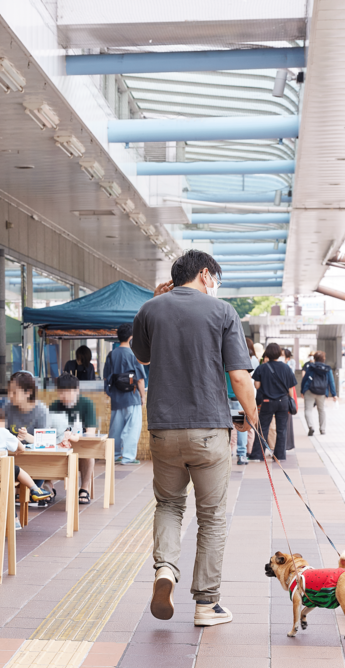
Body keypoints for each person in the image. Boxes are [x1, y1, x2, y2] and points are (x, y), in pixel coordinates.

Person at [132, 249, 255, 629]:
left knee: (169, 505)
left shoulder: (150, 309)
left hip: (164, 430)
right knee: (212, 516)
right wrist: (253, 417)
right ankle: (206, 604)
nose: (215, 286)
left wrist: (155, 302)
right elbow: (238, 376)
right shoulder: (223, 312)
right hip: (209, 430)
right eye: (215, 278)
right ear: (205, 274)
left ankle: (165, 569)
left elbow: (144, 357)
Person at [0, 403, 48, 526]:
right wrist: (18, 450)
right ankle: (35, 489)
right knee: (17, 470)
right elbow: (21, 448)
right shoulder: (3, 432)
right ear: (0, 420)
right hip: (1, 471)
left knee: (0, 487)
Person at [48, 374, 98, 504]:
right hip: (60, 446)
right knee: (45, 454)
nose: (64, 395)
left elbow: (91, 432)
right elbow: (49, 431)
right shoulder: (54, 406)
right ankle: (49, 487)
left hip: (80, 444)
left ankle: (84, 488)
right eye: (61, 392)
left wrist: (74, 437)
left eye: (68, 392)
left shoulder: (87, 404)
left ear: (77, 390)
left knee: (88, 454)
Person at [103, 323, 146, 466]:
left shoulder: (112, 354)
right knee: (132, 427)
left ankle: (114, 455)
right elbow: (139, 379)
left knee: (115, 428)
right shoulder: (134, 354)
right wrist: (143, 396)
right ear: (131, 338)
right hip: (132, 397)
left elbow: (106, 378)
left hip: (116, 398)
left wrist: (110, 392)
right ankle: (127, 457)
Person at [249, 342, 297, 461]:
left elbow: (257, 385)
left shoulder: (262, 367)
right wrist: (290, 399)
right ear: (279, 353)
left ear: (267, 353)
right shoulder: (286, 368)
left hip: (267, 401)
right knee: (281, 429)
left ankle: (257, 455)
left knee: (262, 428)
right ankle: (280, 455)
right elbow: (290, 388)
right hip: (283, 402)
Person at [300, 350, 335, 436]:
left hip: (309, 390)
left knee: (308, 410)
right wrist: (334, 394)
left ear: (314, 358)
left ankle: (311, 426)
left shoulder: (311, 367)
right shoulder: (327, 368)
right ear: (323, 359)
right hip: (322, 392)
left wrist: (302, 391)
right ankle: (322, 429)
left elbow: (305, 379)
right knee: (321, 410)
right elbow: (331, 381)